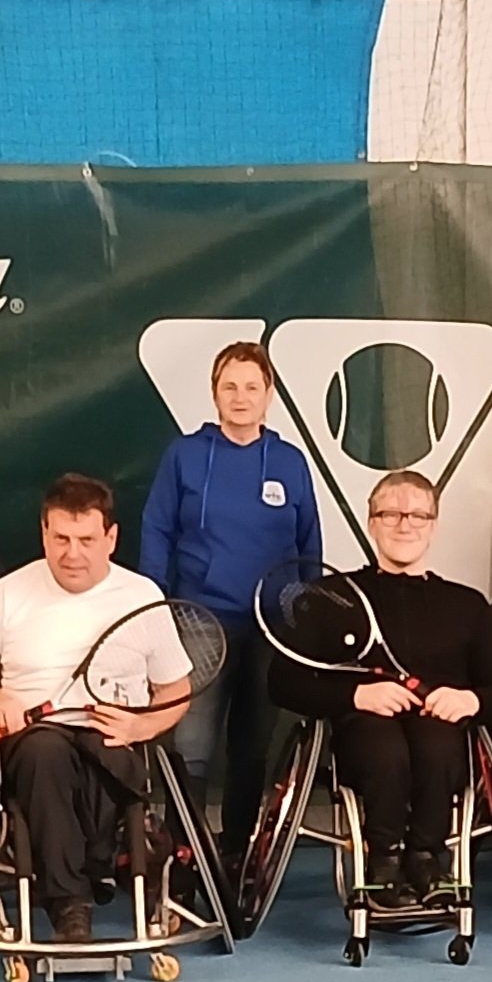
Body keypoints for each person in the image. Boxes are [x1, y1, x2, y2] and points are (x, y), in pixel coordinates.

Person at [0, 475, 196, 946]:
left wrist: (142, 726)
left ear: (111, 539)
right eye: (60, 539)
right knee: (46, 753)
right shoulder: (8, 593)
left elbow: (176, 689)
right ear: (43, 534)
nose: (72, 554)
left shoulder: (142, 597)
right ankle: (71, 906)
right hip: (34, 740)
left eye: (86, 540)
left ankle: (96, 865)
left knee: (106, 750)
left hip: (114, 737)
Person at [270, 470, 492, 911]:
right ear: (371, 523)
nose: (404, 524)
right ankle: (383, 862)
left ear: (433, 525)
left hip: (442, 738)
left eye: (417, 515)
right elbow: (282, 683)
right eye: (390, 514)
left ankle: (427, 859)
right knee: (384, 747)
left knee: (437, 744)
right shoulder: (331, 598)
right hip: (362, 736)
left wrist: (471, 700)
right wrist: (355, 696)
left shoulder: (467, 605)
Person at [140, 340, 319, 871]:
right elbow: (156, 529)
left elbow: (309, 544)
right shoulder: (185, 455)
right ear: (214, 393)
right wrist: (155, 605)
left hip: (269, 624)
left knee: (252, 744)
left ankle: (237, 851)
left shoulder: (289, 462)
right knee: (192, 742)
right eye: (230, 387)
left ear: (269, 395)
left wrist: (305, 615)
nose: (241, 397)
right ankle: (183, 852)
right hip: (200, 619)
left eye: (251, 387)